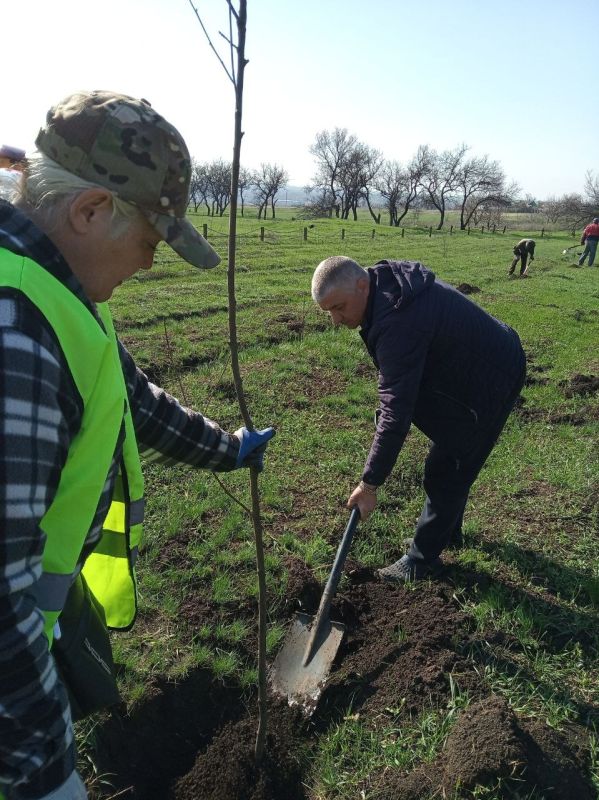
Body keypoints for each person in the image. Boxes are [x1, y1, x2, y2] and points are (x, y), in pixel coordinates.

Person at [0, 91, 274, 800]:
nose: (149, 265)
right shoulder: (15, 335)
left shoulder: (59, 290)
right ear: (91, 211)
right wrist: (46, 775)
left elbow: (132, 400)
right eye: (150, 242)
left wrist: (229, 449)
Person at [311, 256, 525, 583]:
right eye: (328, 312)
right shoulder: (386, 288)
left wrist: (369, 485)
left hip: (493, 378)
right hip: (467, 364)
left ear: (362, 285)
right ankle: (447, 532)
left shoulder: (398, 322)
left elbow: (397, 410)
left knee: (448, 467)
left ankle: (421, 561)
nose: (336, 320)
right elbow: (402, 385)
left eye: (339, 308)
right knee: (448, 460)